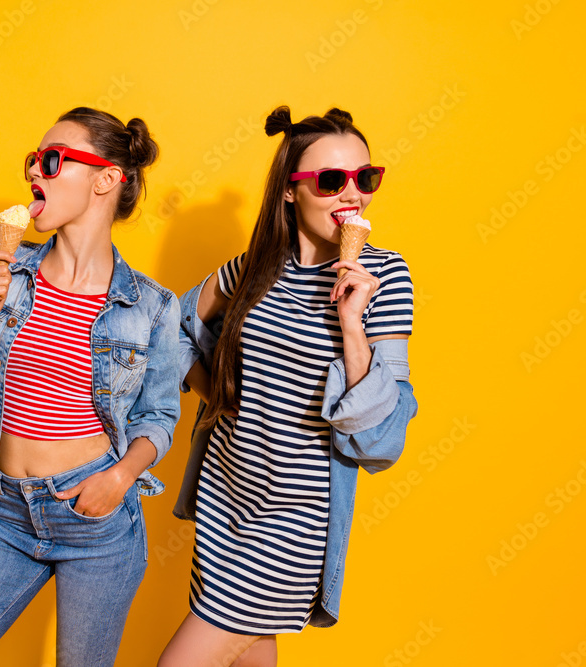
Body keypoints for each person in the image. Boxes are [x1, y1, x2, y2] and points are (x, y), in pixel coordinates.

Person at [0, 107, 180, 667]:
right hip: (7, 511)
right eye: (33, 161)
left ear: (105, 179)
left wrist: (119, 478)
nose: (35, 173)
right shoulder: (10, 275)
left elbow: (160, 418)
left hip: (94, 520)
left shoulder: (151, 305)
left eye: (52, 161)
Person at [159, 106, 418, 666]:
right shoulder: (252, 268)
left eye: (365, 178)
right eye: (331, 180)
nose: (353, 195)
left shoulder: (387, 278)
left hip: (293, 525)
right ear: (290, 192)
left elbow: (383, 441)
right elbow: (171, 327)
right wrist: (217, 393)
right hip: (224, 506)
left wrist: (353, 326)